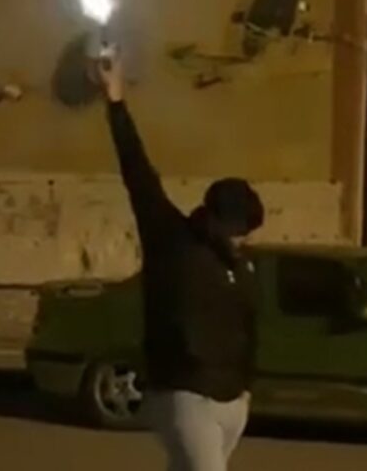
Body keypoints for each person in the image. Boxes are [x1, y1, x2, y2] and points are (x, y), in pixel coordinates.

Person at [97, 54, 264, 471]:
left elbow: (247, 326)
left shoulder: (239, 265)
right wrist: (115, 100)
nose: (243, 239)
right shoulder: (171, 239)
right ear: (216, 220)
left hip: (232, 401)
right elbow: (137, 171)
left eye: (248, 231)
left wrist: (246, 387)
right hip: (185, 396)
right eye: (238, 230)